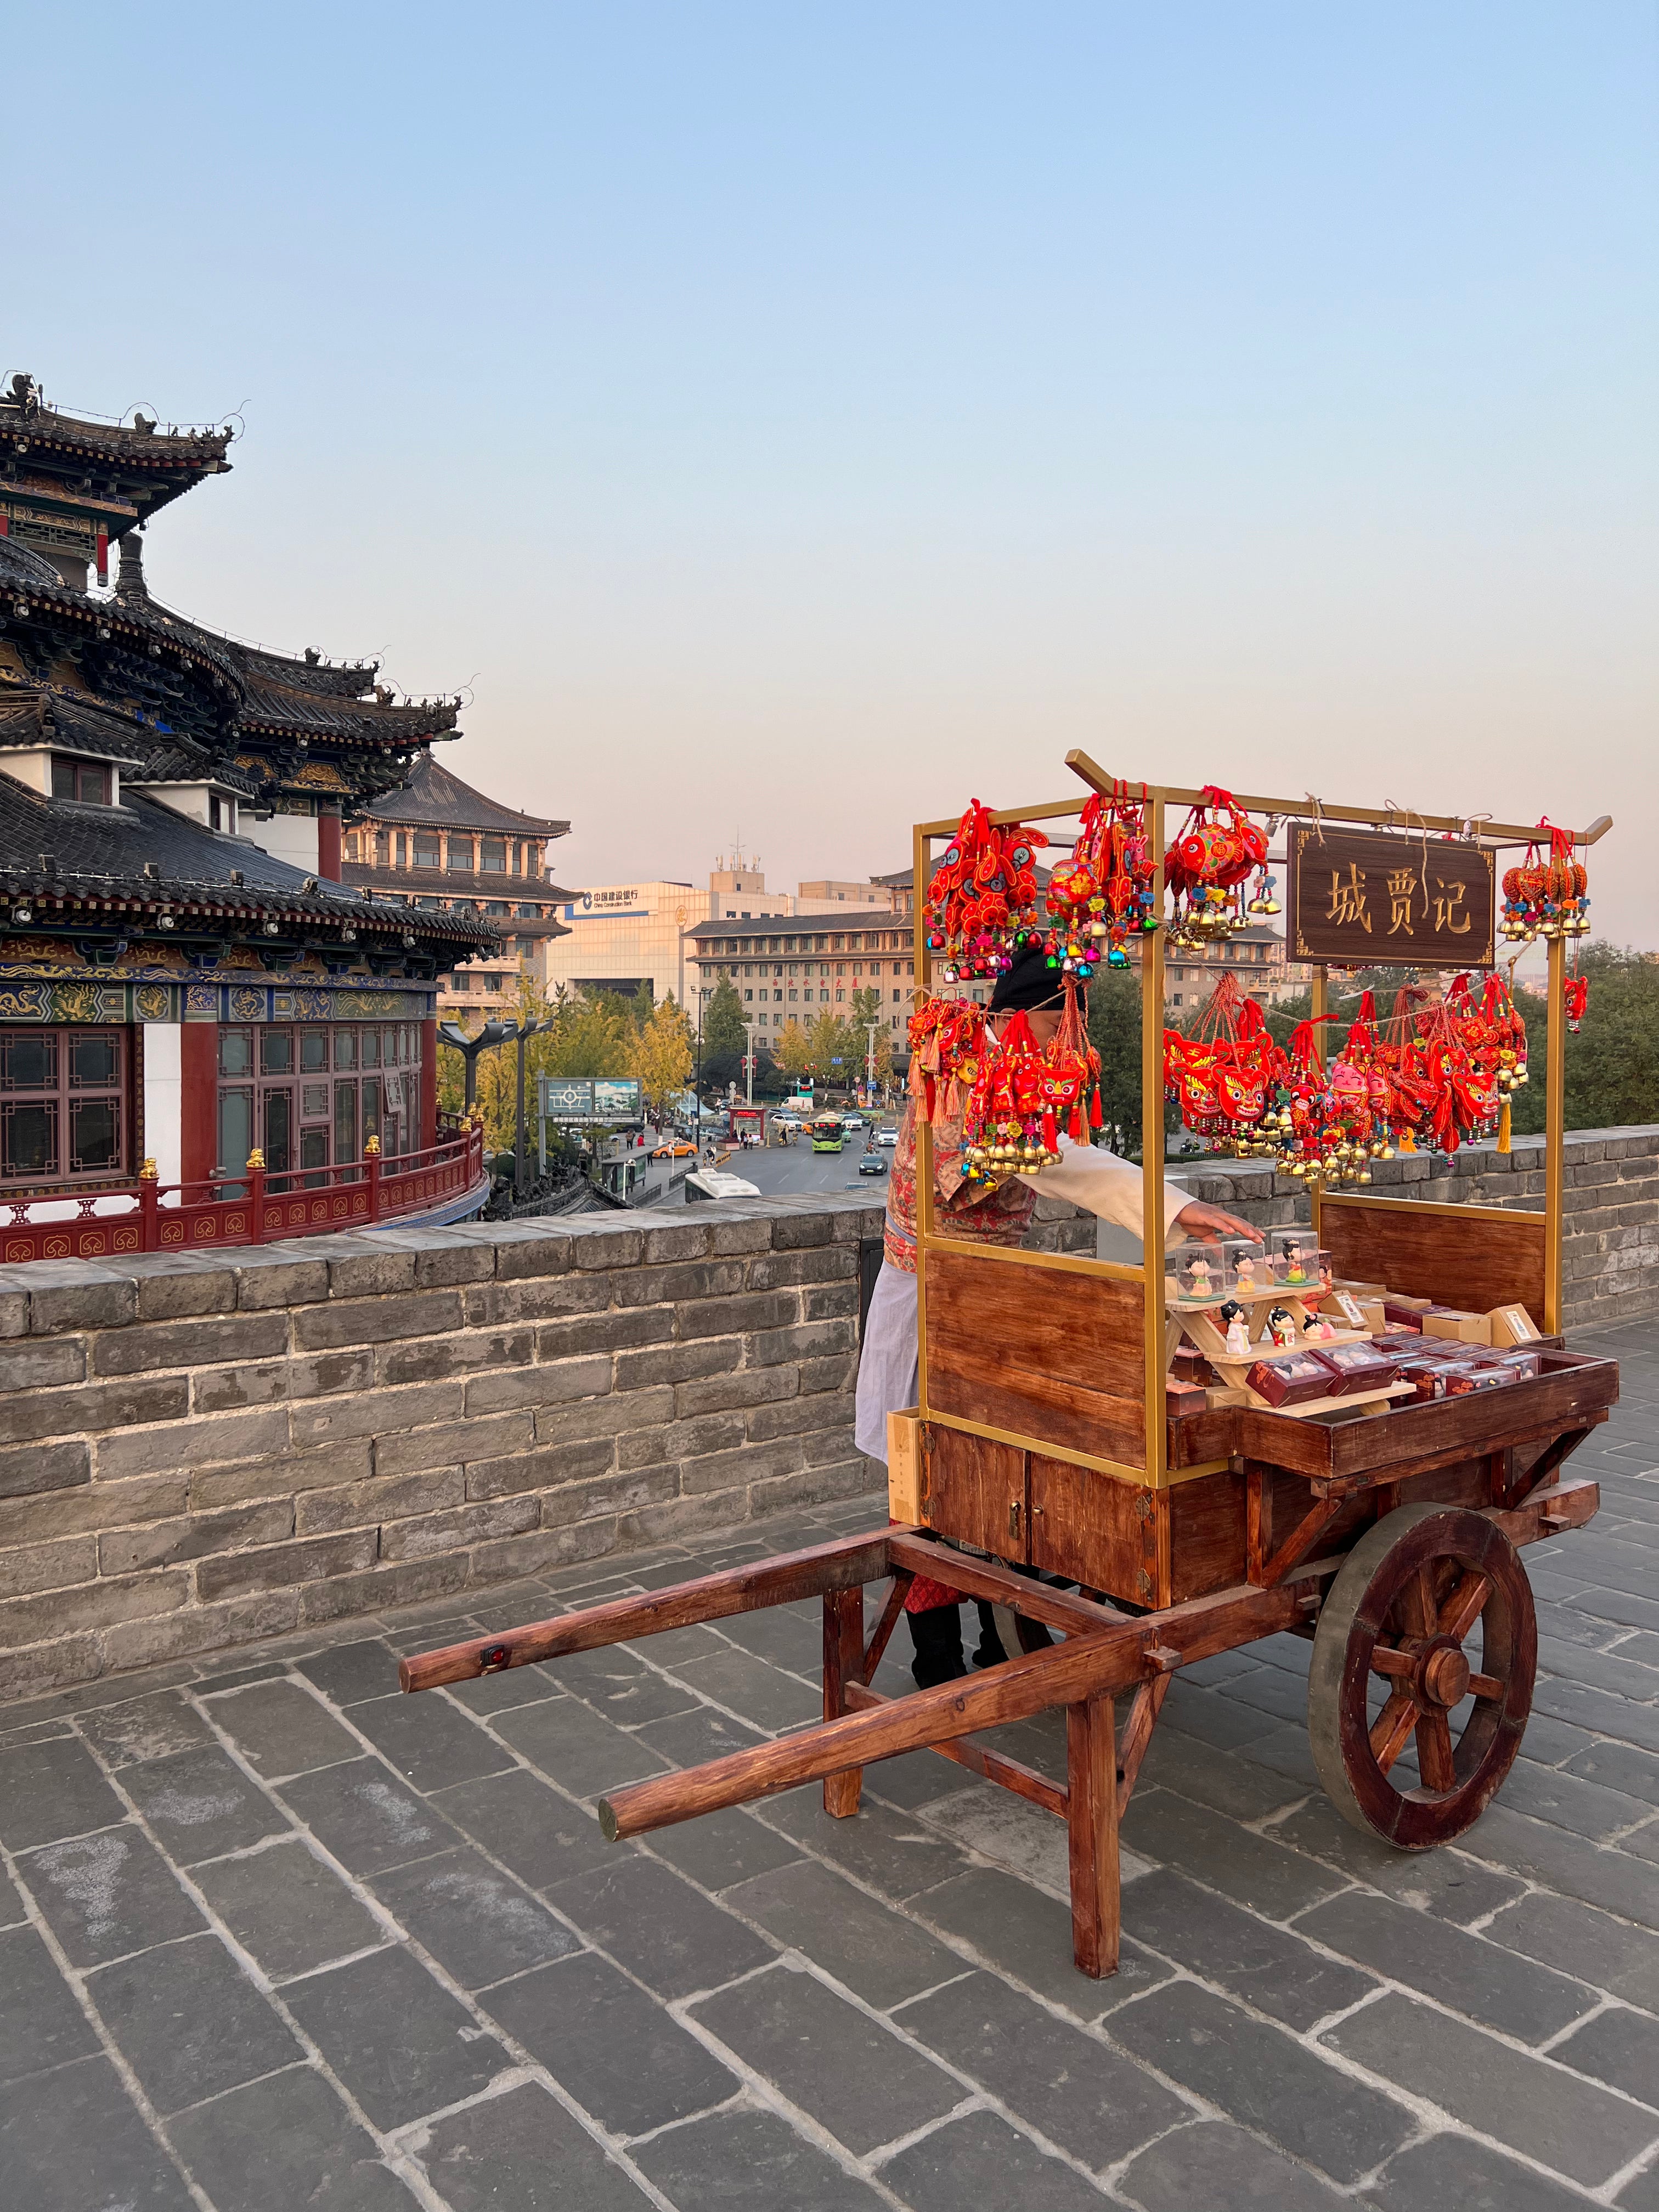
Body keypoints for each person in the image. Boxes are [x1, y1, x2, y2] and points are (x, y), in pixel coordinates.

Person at [854, 944, 1257, 1688]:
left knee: (995, 1474)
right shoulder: (971, 1068)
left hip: (990, 1291)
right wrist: (1179, 1207)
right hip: (936, 1298)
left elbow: (1059, 1151)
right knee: (935, 1484)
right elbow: (1054, 1159)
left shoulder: (1012, 1065)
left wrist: (1176, 1206)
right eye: (1060, 1021)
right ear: (1025, 1016)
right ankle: (937, 1654)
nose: (1067, 1039)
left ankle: (997, 1633)